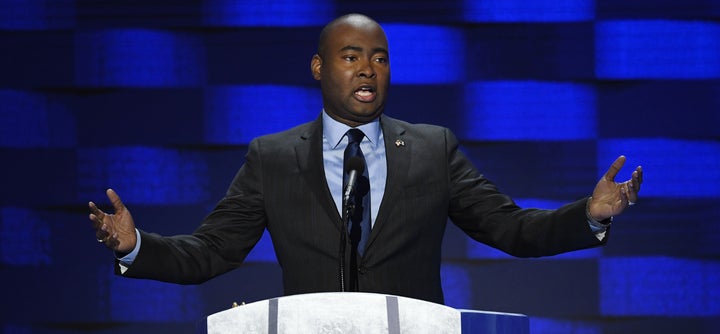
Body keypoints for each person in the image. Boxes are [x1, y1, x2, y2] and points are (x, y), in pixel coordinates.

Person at [89, 13, 643, 305]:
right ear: (317, 67)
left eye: (379, 58)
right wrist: (137, 247)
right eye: (350, 56)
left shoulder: (433, 148)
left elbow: (511, 229)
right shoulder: (273, 157)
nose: (367, 69)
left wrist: (588, 216)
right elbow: (211, 252)